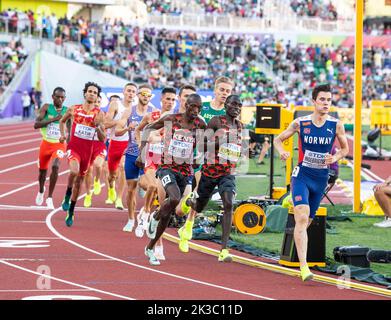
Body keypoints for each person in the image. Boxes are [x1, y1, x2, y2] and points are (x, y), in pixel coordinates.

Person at [274, 83, 349, 281]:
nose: (326, 103)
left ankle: (294, 239)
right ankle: (304, 267)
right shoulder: (301, 123)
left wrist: (335, 158)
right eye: (322, 99)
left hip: (321, 178)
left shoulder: (336, 125)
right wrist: (282, 151)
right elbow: (278, 139)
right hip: (302, 176)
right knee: (302, 217)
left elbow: (345, 150)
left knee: (306, 221)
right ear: (314, 102)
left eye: (329, 100)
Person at [136, 93, 207, 265]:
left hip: (186, 171)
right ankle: (155, 217)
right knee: (174, 198)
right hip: (167, 168)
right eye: (192, 106)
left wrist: (202, 155)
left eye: (198, 108)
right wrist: (142, 152)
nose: (195, 110)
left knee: (176, 212)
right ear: (186, 105)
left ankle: (150, 246)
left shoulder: (201, 124)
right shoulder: (171, 119)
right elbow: (147, 129)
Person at [182, 95, 246, 261]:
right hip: (210, 172)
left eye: (240, 105)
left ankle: (224, 250)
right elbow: (202, 144)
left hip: (227, 173)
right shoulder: (216, 121)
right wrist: (220, 143)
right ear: (226, 105)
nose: (237, 107)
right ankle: (189, 207)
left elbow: (237, 148)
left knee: (229, 203)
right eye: (233, 104)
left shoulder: (240, 126)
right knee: (199, 206)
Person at [178, 77, 235, 249]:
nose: (224, 93)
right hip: (201, 156)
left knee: (198, 199)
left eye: (227, 91)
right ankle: (188, 225)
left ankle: (187, 218)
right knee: (198, 188)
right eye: (222, 90)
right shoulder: (204, 109)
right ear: (215, 91)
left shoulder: (230, 114)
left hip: (219, 162)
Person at [59, 82, 106, 227]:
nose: (92, 94)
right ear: (85, 93)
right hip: (74, 148)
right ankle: (67, 195)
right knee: (73, 171)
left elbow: (102, 138)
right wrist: (63, 134)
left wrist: (98, 127)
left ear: (97, 96)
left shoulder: (99, 113)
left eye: (95, 92)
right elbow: (62, 121)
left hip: (87, 152)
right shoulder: (74, 109)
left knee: (79, 182)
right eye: (90, 91)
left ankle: (71, 211)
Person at [115, 84, 156, 233]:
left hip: (148, 156)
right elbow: (117, 131)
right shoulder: (129, 112)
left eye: (148, 95)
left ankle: (146, 214)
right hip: (132, 155)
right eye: (143, 94)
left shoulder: (154, 113)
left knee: (152, 187)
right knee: (131, 189)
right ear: (138, 95)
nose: (145, 97)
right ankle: (131, 219)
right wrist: (128, 128)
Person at [33, 87, 68, 209]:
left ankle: (50, 198)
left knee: (56, 166)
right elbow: (36, 125)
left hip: (59, 144)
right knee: (42, 172)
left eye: (62, 97)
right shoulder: (46, 108)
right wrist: (53, 119)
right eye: (58, 97)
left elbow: (70, 130)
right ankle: (41, 191)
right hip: (45, 144)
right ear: (53, 97)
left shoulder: (67, 111)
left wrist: (68, 146)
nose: (60, 99)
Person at [105, 83, 137, 209]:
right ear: (123, 92)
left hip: (128, 144)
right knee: (112, 174)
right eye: (128, 90)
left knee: (123, 168)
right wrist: (121, 121)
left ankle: (119, 198)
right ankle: (111, 187)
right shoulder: (115, 105)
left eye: (133, 91)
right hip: (114, 142)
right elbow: (106, 124)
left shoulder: (136, 108)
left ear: (135, 94)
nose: (130, 93)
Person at [83, 95, 107, 207]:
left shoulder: (102, 115)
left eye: (99, 102)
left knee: (98, 165)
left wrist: (98, 128)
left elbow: (104, 137)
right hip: (87, 146)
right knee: (87, 172)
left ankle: (97, 181)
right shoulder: (84, 114)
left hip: (99, 146)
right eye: (95, 101)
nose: (96, 103)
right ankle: (88, 194)